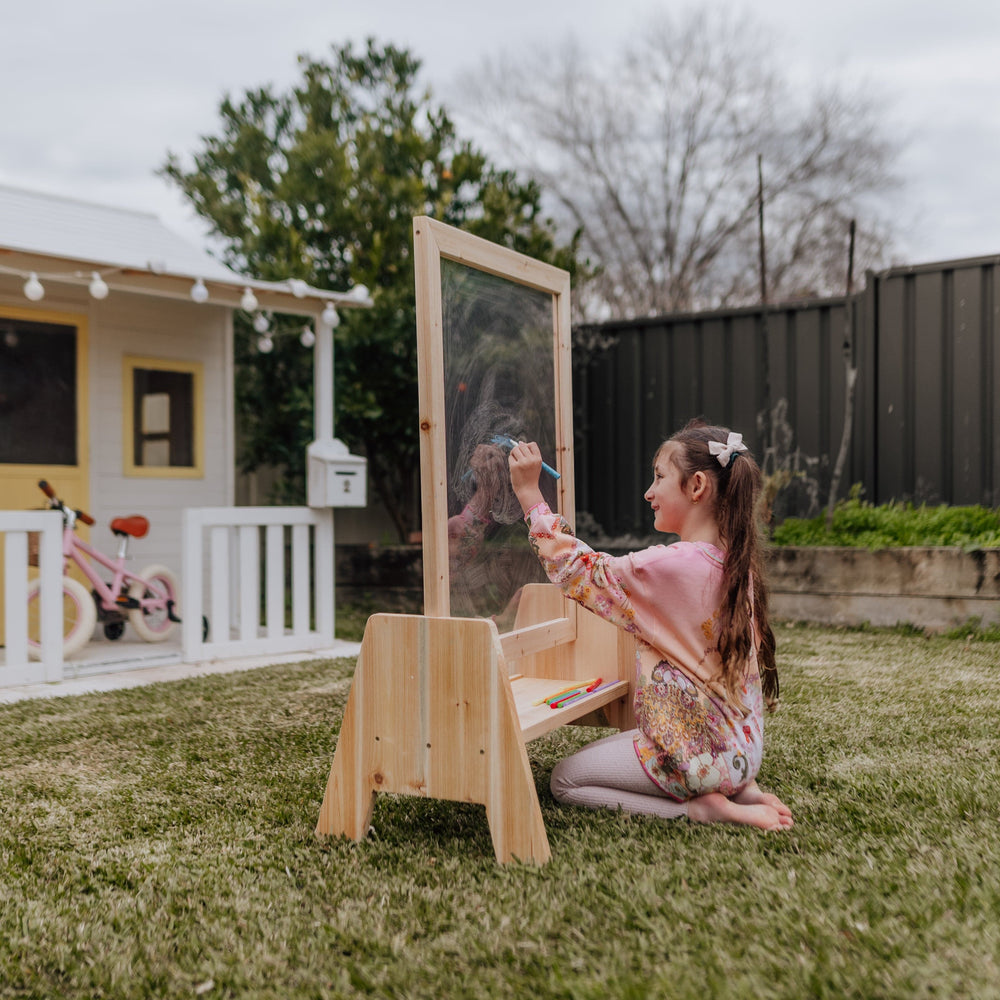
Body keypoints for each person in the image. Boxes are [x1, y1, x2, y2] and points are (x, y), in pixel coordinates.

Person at [507, 420, 793, 831]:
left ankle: (702, 807)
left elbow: (578, 570)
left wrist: (529, 493)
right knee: (630, 746)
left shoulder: (673, 565)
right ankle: (738, 788)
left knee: (563, 780)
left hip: (695, 758)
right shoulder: (735, 562)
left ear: (697, 487)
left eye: (659, 478)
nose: (649, 492)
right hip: (741, 753)